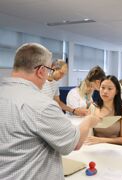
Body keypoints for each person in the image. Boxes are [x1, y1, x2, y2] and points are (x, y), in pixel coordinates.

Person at [0, 43, 102, 179]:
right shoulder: (41, 104)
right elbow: (73, 143)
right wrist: (89, 121)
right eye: (48, 70)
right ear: (41, 70)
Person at [85, 75, 122, 146]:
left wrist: (101, 140)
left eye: (110, 89)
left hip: (116, 150)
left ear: (116, 91)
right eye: (102, 88)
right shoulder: (93, 107)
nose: (105, 91)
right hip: (96, 148)